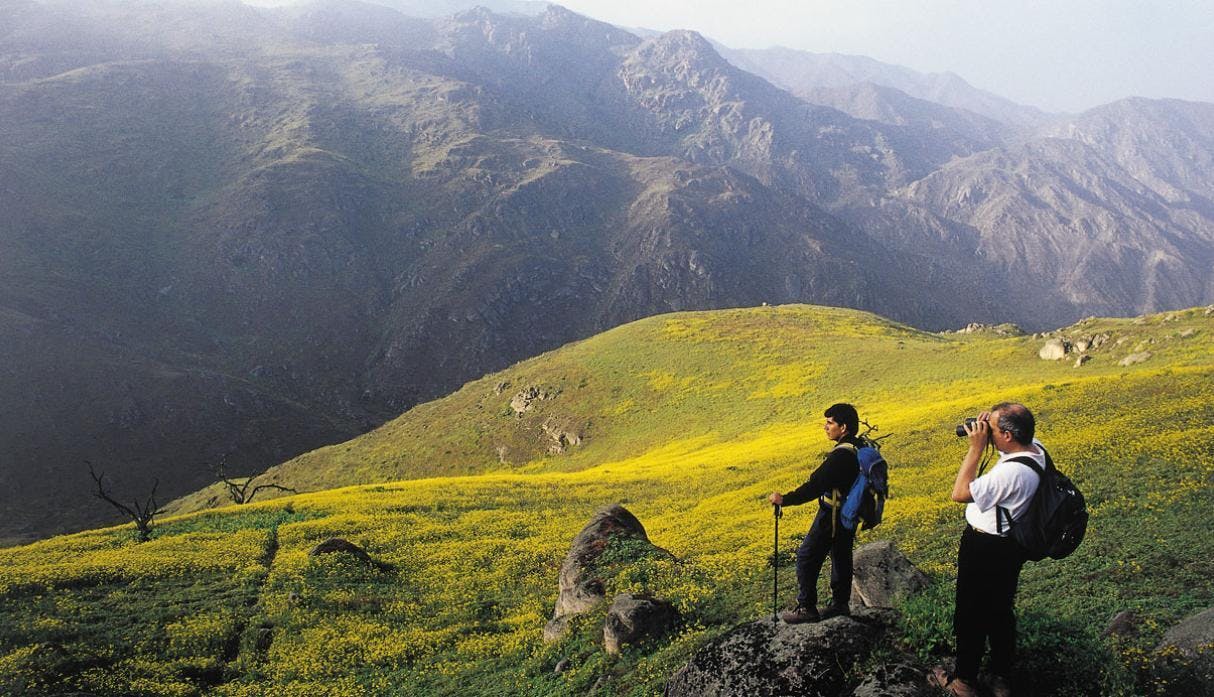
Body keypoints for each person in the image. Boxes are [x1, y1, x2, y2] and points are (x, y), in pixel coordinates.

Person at [929, 402, 1043, 697]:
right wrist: (990, 427)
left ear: (1006, 435)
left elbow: (960, 493)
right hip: (1009, 545)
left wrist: (976, 448)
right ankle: (1000, 676)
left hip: (986, 546)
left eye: (991, 428)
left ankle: (964, 682)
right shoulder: (1036, 451)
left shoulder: (1011, 474)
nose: (984, 431)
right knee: (1000, 611)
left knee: (970, 613)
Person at [768, 403, 861, 623]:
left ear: (843, 427)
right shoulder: (859, 446)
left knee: (807, 556)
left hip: (832, 514)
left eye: (830, 423)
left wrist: (785, 500)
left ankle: (807, 608)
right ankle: (840, 605)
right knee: (840, 555)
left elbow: (815, 486)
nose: (825, 427)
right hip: (850, 512)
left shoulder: (840, 456)